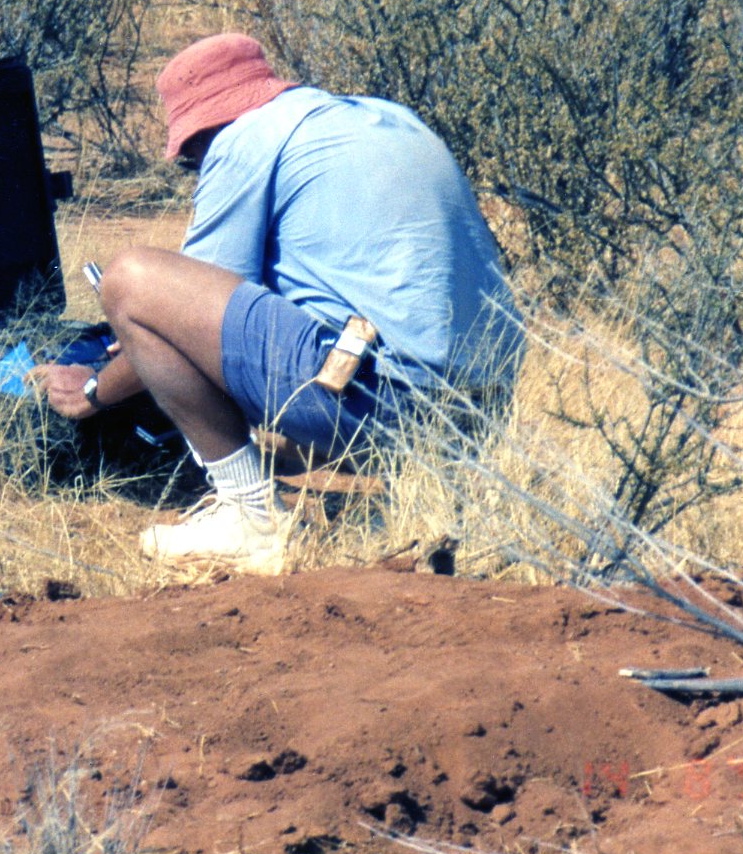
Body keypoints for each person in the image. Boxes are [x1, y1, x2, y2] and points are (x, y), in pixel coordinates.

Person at [31, 33, 522, 574]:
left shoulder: (245, 138)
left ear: (206, 129)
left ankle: (249, 515)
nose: (196, 167)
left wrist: (95, 391)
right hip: (483, 415)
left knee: (128, 279)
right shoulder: (382, 116)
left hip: (386, 405)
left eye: (191, 157)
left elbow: (179, 313)